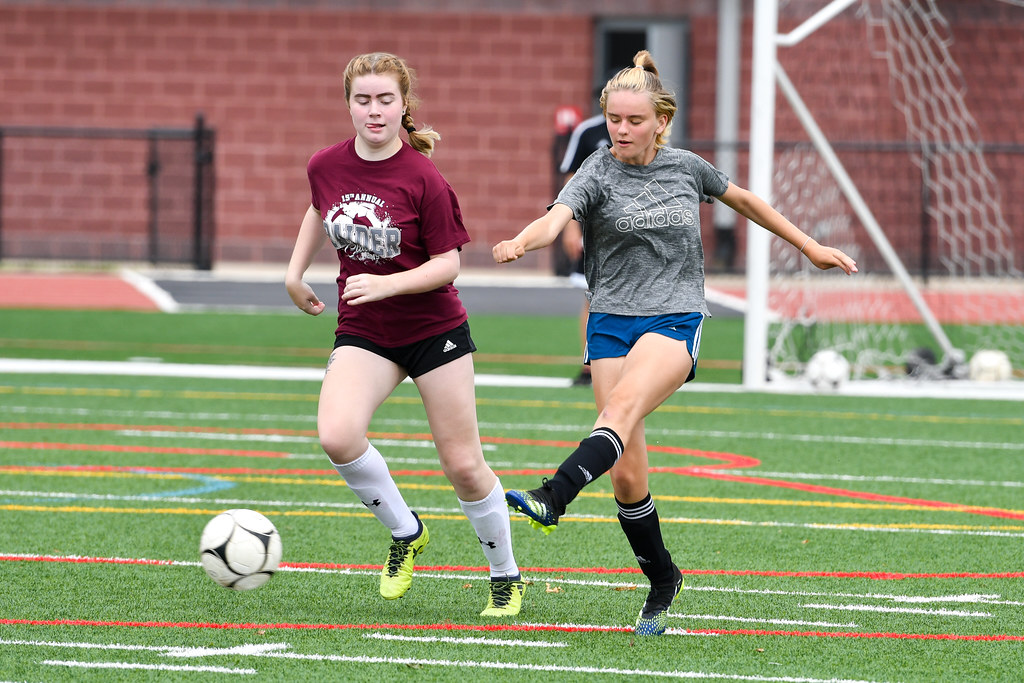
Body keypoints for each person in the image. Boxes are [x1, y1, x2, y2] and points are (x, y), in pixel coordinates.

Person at [492, 50, 856, 634]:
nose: (622, 130)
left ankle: (552, 495)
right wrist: (521, 241)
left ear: (662, 121)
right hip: (610, 319)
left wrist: (808, 245)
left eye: (635, 121)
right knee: (628, 476)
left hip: (674, 318)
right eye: (614, 119)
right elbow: (555, 219)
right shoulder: (596, 170)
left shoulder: (688, 168)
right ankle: (663, 576)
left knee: (620, 409)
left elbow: (746, 202)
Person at [285, 52, 524, 617]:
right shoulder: (324, 163)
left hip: (433, 331)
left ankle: (506, 575)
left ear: (403, 106)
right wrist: (294, 273)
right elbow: (321, 210)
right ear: (348, 104)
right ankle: (405, 531)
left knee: (464, 465)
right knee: (337, 435)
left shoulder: (424, 178)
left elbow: (448, 265)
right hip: (366, 330)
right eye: (363, 100)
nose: (374, 110)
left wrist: (388, 286)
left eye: (385, 100)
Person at [558, 113, 611, 387]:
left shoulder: (651, 127)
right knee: (593, 298)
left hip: (636, 232)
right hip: (597, 232)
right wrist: (570, 225)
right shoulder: (589, 131)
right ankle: (590, 367)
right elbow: (571, 178)